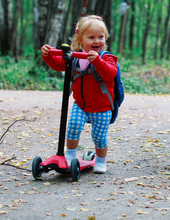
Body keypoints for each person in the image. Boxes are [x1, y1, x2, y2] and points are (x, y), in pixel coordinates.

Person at [40, 15, 117, 174]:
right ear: (80, 39)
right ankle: (69, 155)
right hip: (81, 105)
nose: (97, 41)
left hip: (102, 107)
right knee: (73, 127)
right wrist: (47, 55)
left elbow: (110, 74)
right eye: (91, 37)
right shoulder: (74, 57)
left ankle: (101, 161)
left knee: (99, 137)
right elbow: (58, 65)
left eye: (100, 37)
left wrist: (97, 61)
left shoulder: (106, 57)